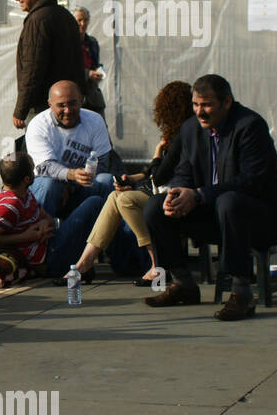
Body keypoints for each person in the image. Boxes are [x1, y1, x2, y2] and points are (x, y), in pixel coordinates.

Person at [143, 74, 277, 321]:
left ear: (227, 102)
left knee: (230, 201)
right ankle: (183, 284)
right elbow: (183, 171)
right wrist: (177, 193)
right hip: (217, 216)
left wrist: (198, 195)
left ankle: (241, 293)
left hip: (262, 218)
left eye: (206, 105)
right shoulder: (190, 129)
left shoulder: (250, 126)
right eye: (196, 105)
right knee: (155, 207)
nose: (200, 112)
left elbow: (252, 181)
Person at [71, 81, 192, 283]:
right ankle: (84, 263)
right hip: (161, 191)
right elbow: (156, 175)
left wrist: (155, 154)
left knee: (125, 200)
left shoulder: (181, 137)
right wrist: (132, 179)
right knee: (115, 195)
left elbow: (160, 175)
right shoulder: (179, 135)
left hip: (172, 195)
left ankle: (156, 263)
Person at [0, 151, 107, 285]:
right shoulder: (10, 205)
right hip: (50, 258)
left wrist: (45, 222)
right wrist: (26, 236)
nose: (35, 172)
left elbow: (46, 217)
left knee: (95, 202)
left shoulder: (24, 192)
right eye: (32, 169)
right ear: (27, 179)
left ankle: (85, 260)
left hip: (50, 243)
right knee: (95, 203)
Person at [25, 80, 120, 220]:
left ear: (81, 100)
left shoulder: (95, 120)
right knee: (48, 185)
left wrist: (73, 185)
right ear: (50, 104)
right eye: (61, 105)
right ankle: (42, 234)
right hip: (50, 185)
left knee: (106, 180)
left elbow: (103, 162)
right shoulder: (38, 125)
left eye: (72, 103)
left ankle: (100, 237)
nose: (68, 110)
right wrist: (71, 175)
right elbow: (45, 167)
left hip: (82, 186)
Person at [11, 0, 84, 129]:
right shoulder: (66, 16)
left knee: (41, 150)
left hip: (43, 107)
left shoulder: (37, 21)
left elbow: (32, 69)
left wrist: (20, 110)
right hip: (70, 106)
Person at [74, 6, 106, 115]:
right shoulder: (67, 44)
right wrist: (87, 74)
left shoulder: (92, 42)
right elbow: (65, 69)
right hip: (76, 95)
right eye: (79, 20)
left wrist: (99, 71)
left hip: (93, 95)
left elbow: (94, 63)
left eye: (86, 20)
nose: (83, 24)